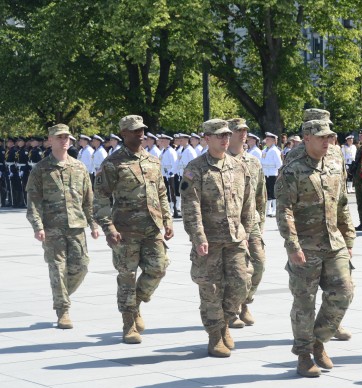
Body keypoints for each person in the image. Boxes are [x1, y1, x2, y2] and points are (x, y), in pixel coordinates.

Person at [275, 119, 355, 377]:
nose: (326, 141)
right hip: (305, 247)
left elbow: (342, 204)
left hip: (334, 243)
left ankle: (318, 340)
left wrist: (349, 239)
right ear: (307, 139)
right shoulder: (292, 171)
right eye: (321, 137)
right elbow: (284, 210)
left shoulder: (333, 165)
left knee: (344, 292)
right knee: (304, 302)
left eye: (329, 136)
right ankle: (303, 354)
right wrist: (292, 245)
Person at [94, 115, 173, 344]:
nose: (140, 134)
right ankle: (128, 323)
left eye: (142, 130)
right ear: (123, 134)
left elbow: (161, 193)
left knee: (158, 268)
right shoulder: (112, 163)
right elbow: (100, 198)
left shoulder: (153, 160)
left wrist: (167, 220)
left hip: (152, 227)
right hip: (125, 230)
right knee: (127, 276)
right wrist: (108, 227)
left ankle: (136, 302)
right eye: (134, 131)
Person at [181, 119, 254, 357]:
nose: (225, 139)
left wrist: (247, 233)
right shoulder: (196, 169)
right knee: (211, 290)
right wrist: (198, 236)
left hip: (235, 239)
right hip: (209, 241)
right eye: (219, 136)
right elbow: (191, 207)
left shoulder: (238, 166)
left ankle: (225, 321)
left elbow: (247, 204)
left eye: (227, 135)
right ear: (206, 139)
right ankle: (215, 335)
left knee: (241, 284)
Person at [26, 124, 100, 328]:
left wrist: (93, 223)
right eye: (59, 137)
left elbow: (88, 199)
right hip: (52, 227)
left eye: (67, 137)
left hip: (77, 226)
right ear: (50, 140)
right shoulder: (40, 169)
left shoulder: (79, 167)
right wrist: (37, 226)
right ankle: (63, 310)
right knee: (57, 268)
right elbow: (33, 201)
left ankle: (61, 293)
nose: (64, 140)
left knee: (81, 266)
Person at [226, 117, 267, 327]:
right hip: (230, 225)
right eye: (238, 131)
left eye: (244, 131)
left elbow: (261, 195)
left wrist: (260, 223)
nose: (243, 134)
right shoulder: (221, 160)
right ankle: (232, 310)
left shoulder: (253, 161)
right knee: (235, 270)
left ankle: (245, 301)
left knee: (258, 264)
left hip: (252, 223)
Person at [260, 132, 282, 217]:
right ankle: (268, 209)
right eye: (266, 139)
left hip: (273, 173)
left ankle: (275, 210)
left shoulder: (275, 151)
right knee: (267, 192)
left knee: (273, 192)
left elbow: (279, 164)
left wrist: (273, 169)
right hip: (266, 173)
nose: (266, 141)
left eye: (268, 139)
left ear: (273, 141)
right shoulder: (265, 150)